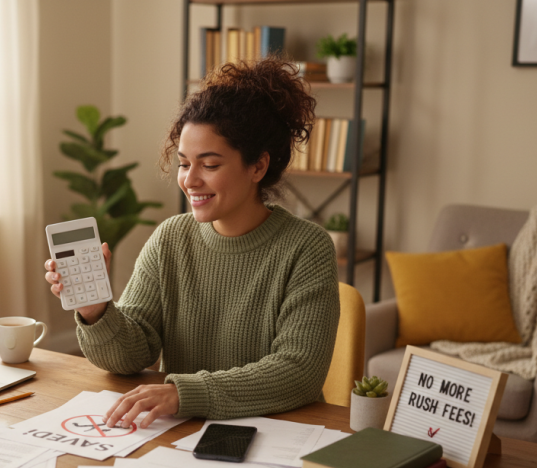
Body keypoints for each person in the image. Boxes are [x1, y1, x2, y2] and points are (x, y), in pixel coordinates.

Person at [43, 57, 340, 430]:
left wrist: (184, 394)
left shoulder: (306, 247)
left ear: (258, 167)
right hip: (182, 435)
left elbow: (298, 372)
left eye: (210, 165)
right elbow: (131, 356)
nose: (190, 180)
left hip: (273, 435)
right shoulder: (171, 238)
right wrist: (96, 311)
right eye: (184, 163)